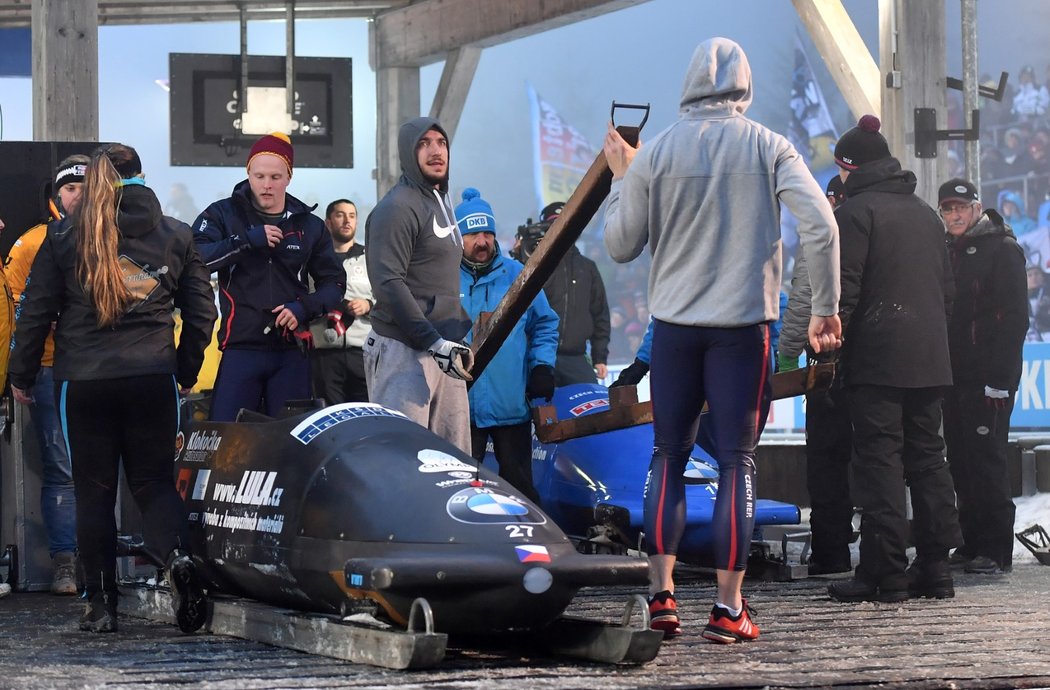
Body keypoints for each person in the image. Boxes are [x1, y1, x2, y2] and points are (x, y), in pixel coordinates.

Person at [603, 37, 842, 643]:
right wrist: (825, 310)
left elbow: (620, 245)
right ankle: (728, 609)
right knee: (737, 462)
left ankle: (661, 597)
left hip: (675, 332)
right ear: (745, 86)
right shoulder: (769, 146)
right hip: (742, 332)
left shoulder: (655, 154)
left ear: (688, 84)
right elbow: (822, 225)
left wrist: (624, 179)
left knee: (669, 456)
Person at [8, 143, 217, 634]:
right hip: (152, 378)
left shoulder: (63, 235)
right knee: (153, 483)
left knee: (94, 492)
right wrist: (183, 371)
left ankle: (101, 604)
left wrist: (19, 375)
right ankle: (180, 560)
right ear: (144, 176)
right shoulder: (176, 235)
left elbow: (35, 312)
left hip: (84, 383)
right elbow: (202, 314)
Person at [825, 116, 963, 604]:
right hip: (929, 359)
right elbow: (947, 293)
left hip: (878, 360)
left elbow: (846, 290)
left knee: (880, 461)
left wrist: (831, 341)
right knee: (929, 461)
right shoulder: (926, 213)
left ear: (851, 167)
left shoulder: (856, 213)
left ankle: (885, 573)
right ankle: (936, 568)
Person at [192, 132, 344, 421]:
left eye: (275, 177)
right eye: (259, 175)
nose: (266, 185)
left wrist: (303, 308)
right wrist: (245, 241)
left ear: (289, 177)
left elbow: (335, 284)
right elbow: (196, 258)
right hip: (241, 348)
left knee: (292, 448)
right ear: (248, 173)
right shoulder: (221, 214)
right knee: (228, 447)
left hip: (292, 351)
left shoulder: (310, 225)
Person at [5, 155, 88, 595]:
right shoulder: (33, 242)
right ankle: (65, 563)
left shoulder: (115, 239)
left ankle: (103, 563)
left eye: (85, 188)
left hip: (101, 366)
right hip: (52, 367)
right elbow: (17, 303)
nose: (78, 195)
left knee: (102, 467)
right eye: (71, 188)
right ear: (57, 194)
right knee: (63, 468)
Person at [364, 117, 473, 452]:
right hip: (404, 352)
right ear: (408, 154)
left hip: (443, 349)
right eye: (424, 144)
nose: (435, 150)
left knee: (455, 463)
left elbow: (439, 280)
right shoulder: (397, 207)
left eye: (441, 142)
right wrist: (433, 341)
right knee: (404, 463)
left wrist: (456, 332)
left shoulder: (440, 201)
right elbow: (387, 283)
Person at [938, 178, 1028, 575]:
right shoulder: (946, 251)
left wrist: (1000, 379)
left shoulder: (1004, 250)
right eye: (947, 209)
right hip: (953, 375)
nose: (954, 215)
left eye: (961, 207)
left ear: (977, 208)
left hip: (989, 377)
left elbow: (1014, 321)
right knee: (960, 459)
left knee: (987, 460)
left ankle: (996, 549)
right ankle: (973, 542)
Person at [457, 188, 559, 503]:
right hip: (461, 408)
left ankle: (528, 548)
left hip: (510, 405)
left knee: (519, 494)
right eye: (473, 233)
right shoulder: (443, 277)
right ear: (459, 237)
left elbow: (545, 322)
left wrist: (542, 365)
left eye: (487, 232)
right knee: (459, 493)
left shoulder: (517, 274)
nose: (483, 241)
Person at [777, 174, 854, 575]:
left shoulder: (822, 233)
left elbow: (806, 294)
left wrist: (787, 353)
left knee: (827, 458)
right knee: (876, 459)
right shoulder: (880, 223)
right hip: (875, 359)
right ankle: (881, 551)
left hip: (828, 358)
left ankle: (832, 551)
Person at [512, 203, 610, 386]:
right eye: (554, 225)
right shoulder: (533, 265)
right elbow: (514, 297)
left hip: (577, 358)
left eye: (567, 223)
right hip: (538, 356)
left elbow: (600, 314)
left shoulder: (587, 268)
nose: (562, 229)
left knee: (593, 411)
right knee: (538, 412)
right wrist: (518, 255)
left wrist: (600, 356)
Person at [308, 199, 373, 405]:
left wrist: (368, 305)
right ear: (327, 223)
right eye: (340, 215)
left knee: (366, 417)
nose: (347, 221)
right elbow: (303, 298)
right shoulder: (312, 259)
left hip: (363, 352)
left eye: (352, 216)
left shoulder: (370, 258)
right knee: (330, 418)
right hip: (325, 354)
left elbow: (390, 298)